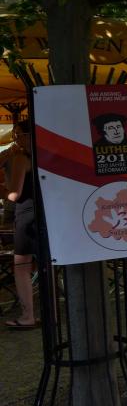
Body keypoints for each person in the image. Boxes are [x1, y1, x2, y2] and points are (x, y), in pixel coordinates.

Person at [1, 122, 37, 329]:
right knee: (45, 266)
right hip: (42, 215)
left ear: (26, 135)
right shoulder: (43, 156)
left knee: (21, 266)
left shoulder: (22, 158)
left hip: (26, 215)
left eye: (17, 134)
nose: (15, 139)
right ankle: (51, 315)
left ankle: (27, 316)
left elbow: (14, 195)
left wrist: (2, 191)